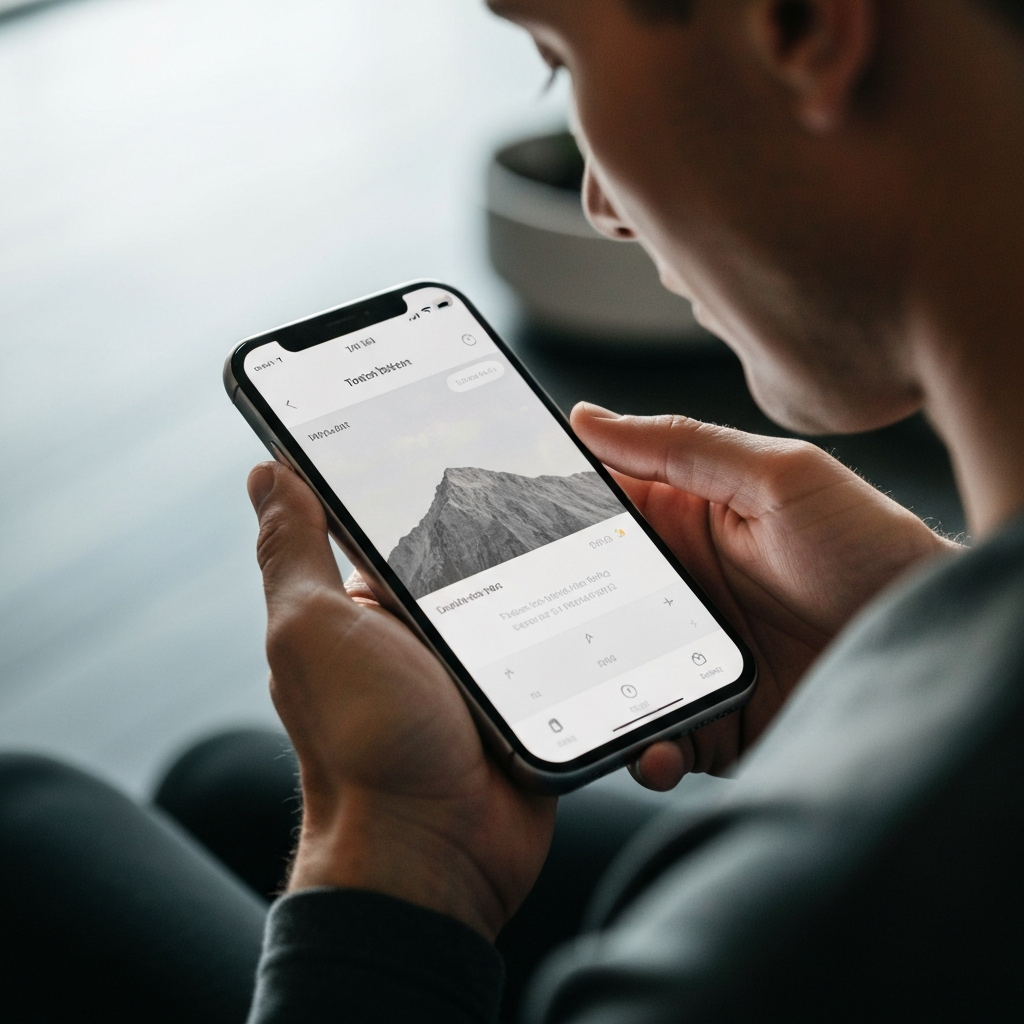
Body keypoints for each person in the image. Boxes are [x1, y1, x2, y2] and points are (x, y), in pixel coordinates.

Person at [239, 0, 1023, 1021]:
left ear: (800, 27)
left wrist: (392, 851)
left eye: (560, 62)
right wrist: (912, 635)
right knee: (225, 785)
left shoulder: (759, 967)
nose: (600, 204)